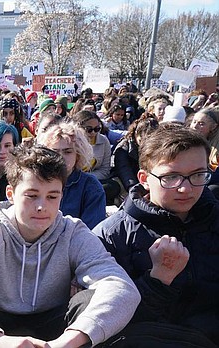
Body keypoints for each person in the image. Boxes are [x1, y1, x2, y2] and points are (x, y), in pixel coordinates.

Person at [0, 145, 140, 348]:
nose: (41, 206)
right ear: (11, 194)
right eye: (32, 195)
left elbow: (121, 287)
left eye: (52, 196)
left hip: (58, 330)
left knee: (91, 300)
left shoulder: (73, 233)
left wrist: (71, 340)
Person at [93, 125, 219, 346]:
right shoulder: (111, 235)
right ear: (143, 178)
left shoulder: (214, 219)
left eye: (198, 175)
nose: (185, 189)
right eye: (171, 177)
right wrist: (159, 279)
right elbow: (101, 320)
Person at [36, 122, 106, 229]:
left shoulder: (91, 186)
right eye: (54, 152)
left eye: (67, 152)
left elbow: (92, 231)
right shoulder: (36, 180)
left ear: (78, 154)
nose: (60, 157)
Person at [71, 110, 120, 205]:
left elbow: (105, 170)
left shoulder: (103, 140)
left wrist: (87, 178)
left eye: (97, 129)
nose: (93, 132)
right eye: (89, 129)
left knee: (112, 186)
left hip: (93, 179)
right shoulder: (70, 142)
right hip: (72, 181)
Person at [112, 115, 159, 193]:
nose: (145, 143)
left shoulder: (159, 147)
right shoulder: (123, 148)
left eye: (149, 140)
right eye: (142, 140)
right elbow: (125, 172)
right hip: (127, 183)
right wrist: (135, 190)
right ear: (136, 134)